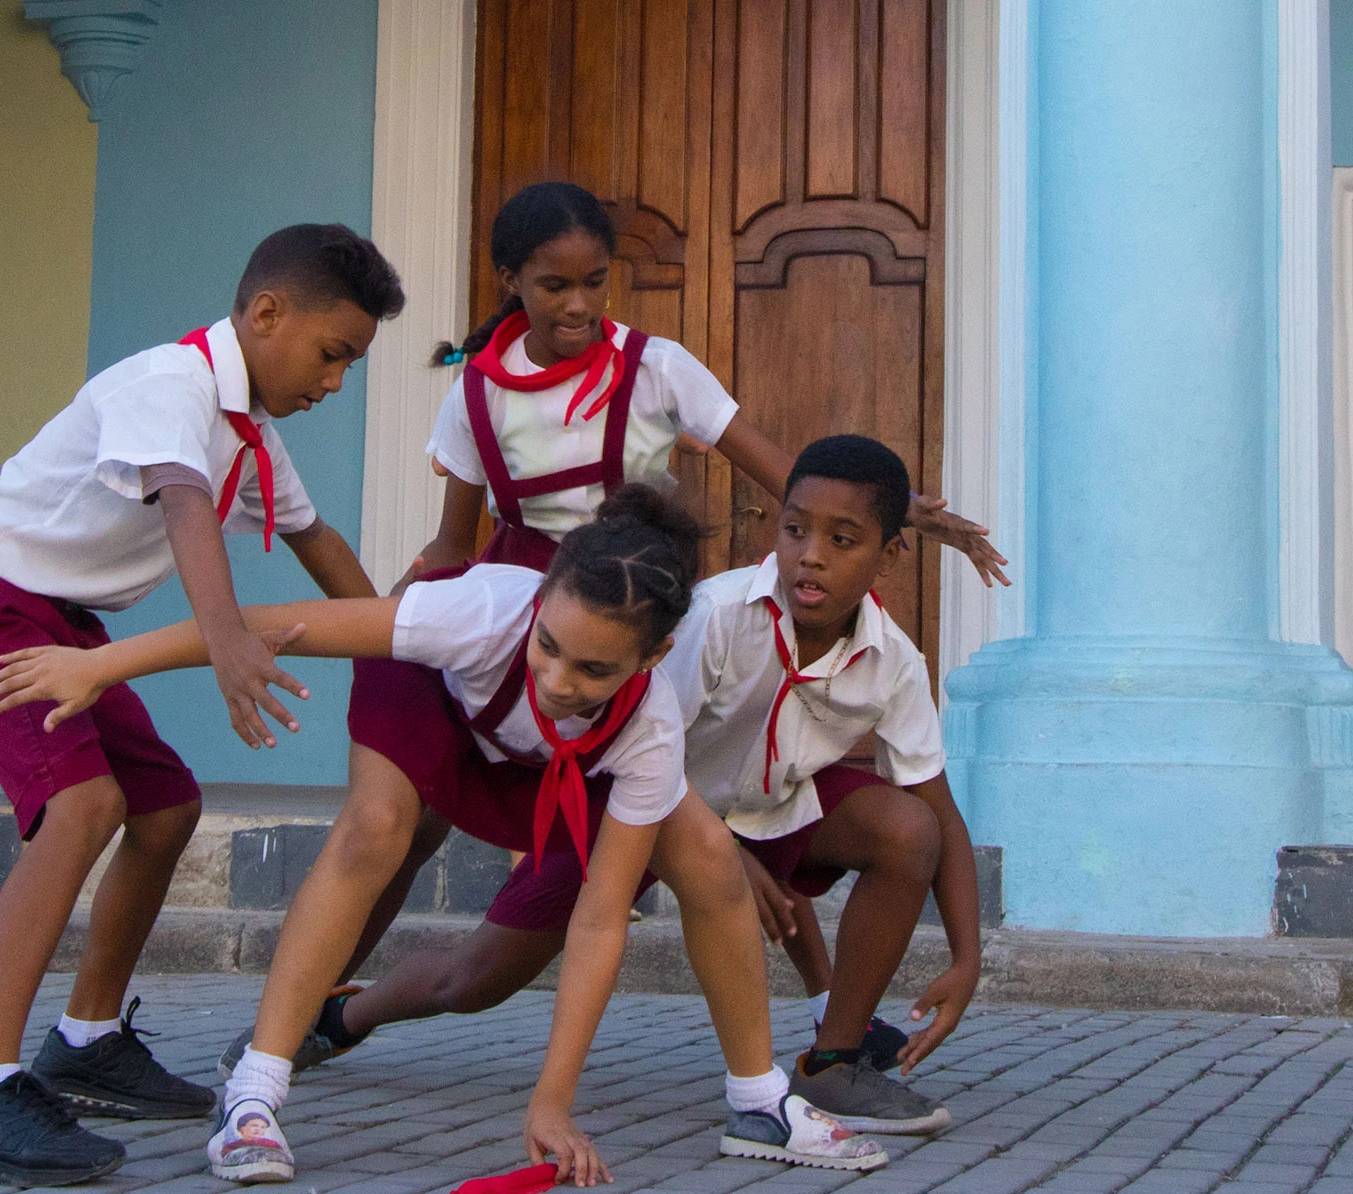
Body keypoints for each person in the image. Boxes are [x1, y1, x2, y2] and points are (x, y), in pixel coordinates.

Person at [217, 180, 1008, 1075]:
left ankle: (815, 1044)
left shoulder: (657, 369)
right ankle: (306, 1014)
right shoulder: (475, 393)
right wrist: (391, 630)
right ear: (512, 280)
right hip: (515, 625)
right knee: (407, 824)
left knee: (695, 838)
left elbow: (784, 479)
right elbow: (451, 540)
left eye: (597, 281)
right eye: (556, 285)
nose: (580, 304)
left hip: (619, 634)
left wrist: (905, 514)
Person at [0, 486, 892, 1187]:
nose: (563, 677)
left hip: (527, 763)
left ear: (651, 662)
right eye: (551, 646)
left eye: (596, 667)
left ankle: (759, 1103)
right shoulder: (483, 610)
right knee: (379, 827)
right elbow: (285, 626)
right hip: (428, 695)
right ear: (539, 605)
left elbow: (599, 918)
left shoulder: (647, 724)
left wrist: (552, 1100)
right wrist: (104, 662)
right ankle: (252, 1096)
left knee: (705, 856)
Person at [0, 224, 404, 1187]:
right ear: (267, 313)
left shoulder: (248, 433)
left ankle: (87, 1040)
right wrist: (224, 639)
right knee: (83, 805)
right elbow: (181, 500)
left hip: (57, 612)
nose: (336, 380)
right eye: (332, 352)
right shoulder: (168, 386)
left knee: (166, 804)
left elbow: (319, 545)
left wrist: (413, 644)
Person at [305, 437, 981, 1138]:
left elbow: (940, 810)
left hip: (755, 816)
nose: (811, 554)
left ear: (889, 555)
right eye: (795, 529)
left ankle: (832, 1059)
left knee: (907, 829)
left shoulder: (895, 662)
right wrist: (720, 854)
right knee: (475, 978)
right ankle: (342, 1015)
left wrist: (967, 958)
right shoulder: (712, 618)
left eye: (842, 540)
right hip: (622, 808)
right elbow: (642, 753)